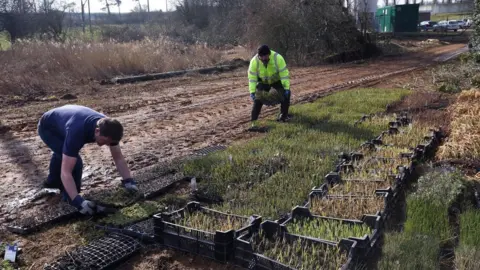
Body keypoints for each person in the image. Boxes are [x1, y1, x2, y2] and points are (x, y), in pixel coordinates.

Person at [37, 105, 138, 215]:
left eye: (110, 143)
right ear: (97, 131)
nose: (107, 145)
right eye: (105, 141)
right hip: (48, 127)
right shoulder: (77, 132)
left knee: (63, 152)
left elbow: (118, 157)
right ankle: (70, 199)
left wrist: (129, 181)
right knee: (75, 163)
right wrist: (78, 201)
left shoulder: (109, 129)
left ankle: (51, 183)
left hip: (66, 121)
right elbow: (66, 172)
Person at [247, 44, 291, 128]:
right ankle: (254, 122)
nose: (264, 59)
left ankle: (283, 116)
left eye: (266, 56)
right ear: (259, 56)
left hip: (276, 81)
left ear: (269, 54)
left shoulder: (278, 58)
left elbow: (284, 75)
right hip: (263, 82)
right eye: (261, 57)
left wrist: (286, 88)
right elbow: (252, 79)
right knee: (258, 99)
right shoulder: (254, 62)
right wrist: (252, 91)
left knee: (286, 96)